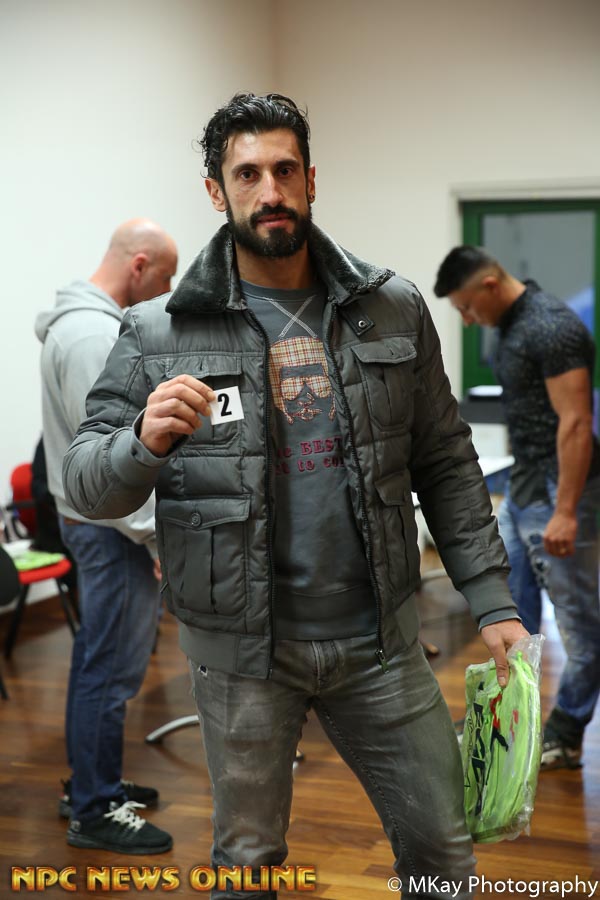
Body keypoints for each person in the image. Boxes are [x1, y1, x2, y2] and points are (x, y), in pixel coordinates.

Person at [63, 94, 526, 899]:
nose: (270, 191)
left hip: (380, 642)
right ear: (217, 190)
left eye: (285, 170)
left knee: (444, 855)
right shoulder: (155, 331)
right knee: (247, 866)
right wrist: (141, 440)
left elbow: (445, 461)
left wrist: (492, 600)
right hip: (243, 656)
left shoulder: (393, 306)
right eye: (248, 174)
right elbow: (84, 483)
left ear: (311, 179)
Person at [35, 218, 178, 854]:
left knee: (101, 662)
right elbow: (108, 460)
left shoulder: (80, 326)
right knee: (110, 670)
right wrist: (154, 538)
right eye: (165, 278)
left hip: (97, 524)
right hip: (109, 527)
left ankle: (94, 785)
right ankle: (94, 809)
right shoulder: (94, 335)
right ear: (139, 265)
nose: (166, 292)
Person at [434, 245, 600, 772]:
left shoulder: (552, 327)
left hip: (561, 490)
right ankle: (510, 722)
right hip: (525, 485)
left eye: (466, 306)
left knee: (580, 625)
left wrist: (566, 511)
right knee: (509, 613)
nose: (466, 319)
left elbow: (577, 423)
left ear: (489, 284)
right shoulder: (509, 325)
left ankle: (567, 732)